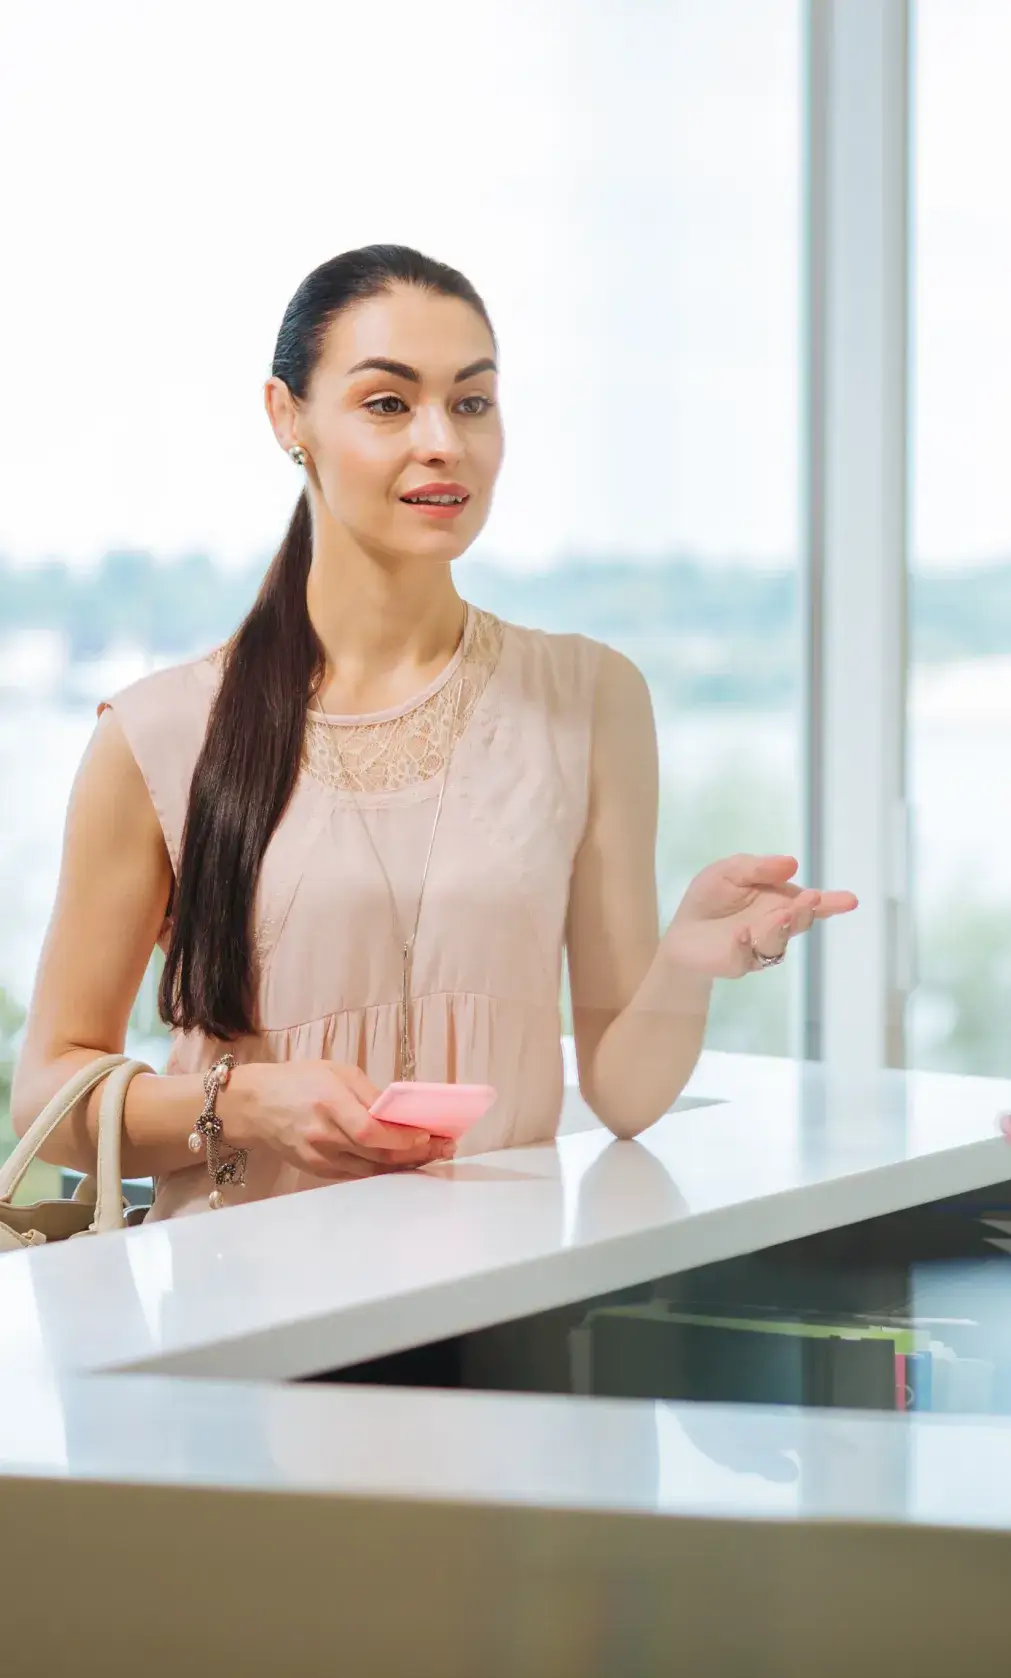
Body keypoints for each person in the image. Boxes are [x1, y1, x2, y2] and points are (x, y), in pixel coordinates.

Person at [9, 244, 855, 1220]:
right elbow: (49, 1095)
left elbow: (624, 1095)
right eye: (386, 403)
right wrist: (244, 1105)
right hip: (239, 1322)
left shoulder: (590, 699)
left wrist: (686, 964)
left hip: (511, 1309)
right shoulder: (160, 734)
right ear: (289, 419)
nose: (441, 442)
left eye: (471, 402)